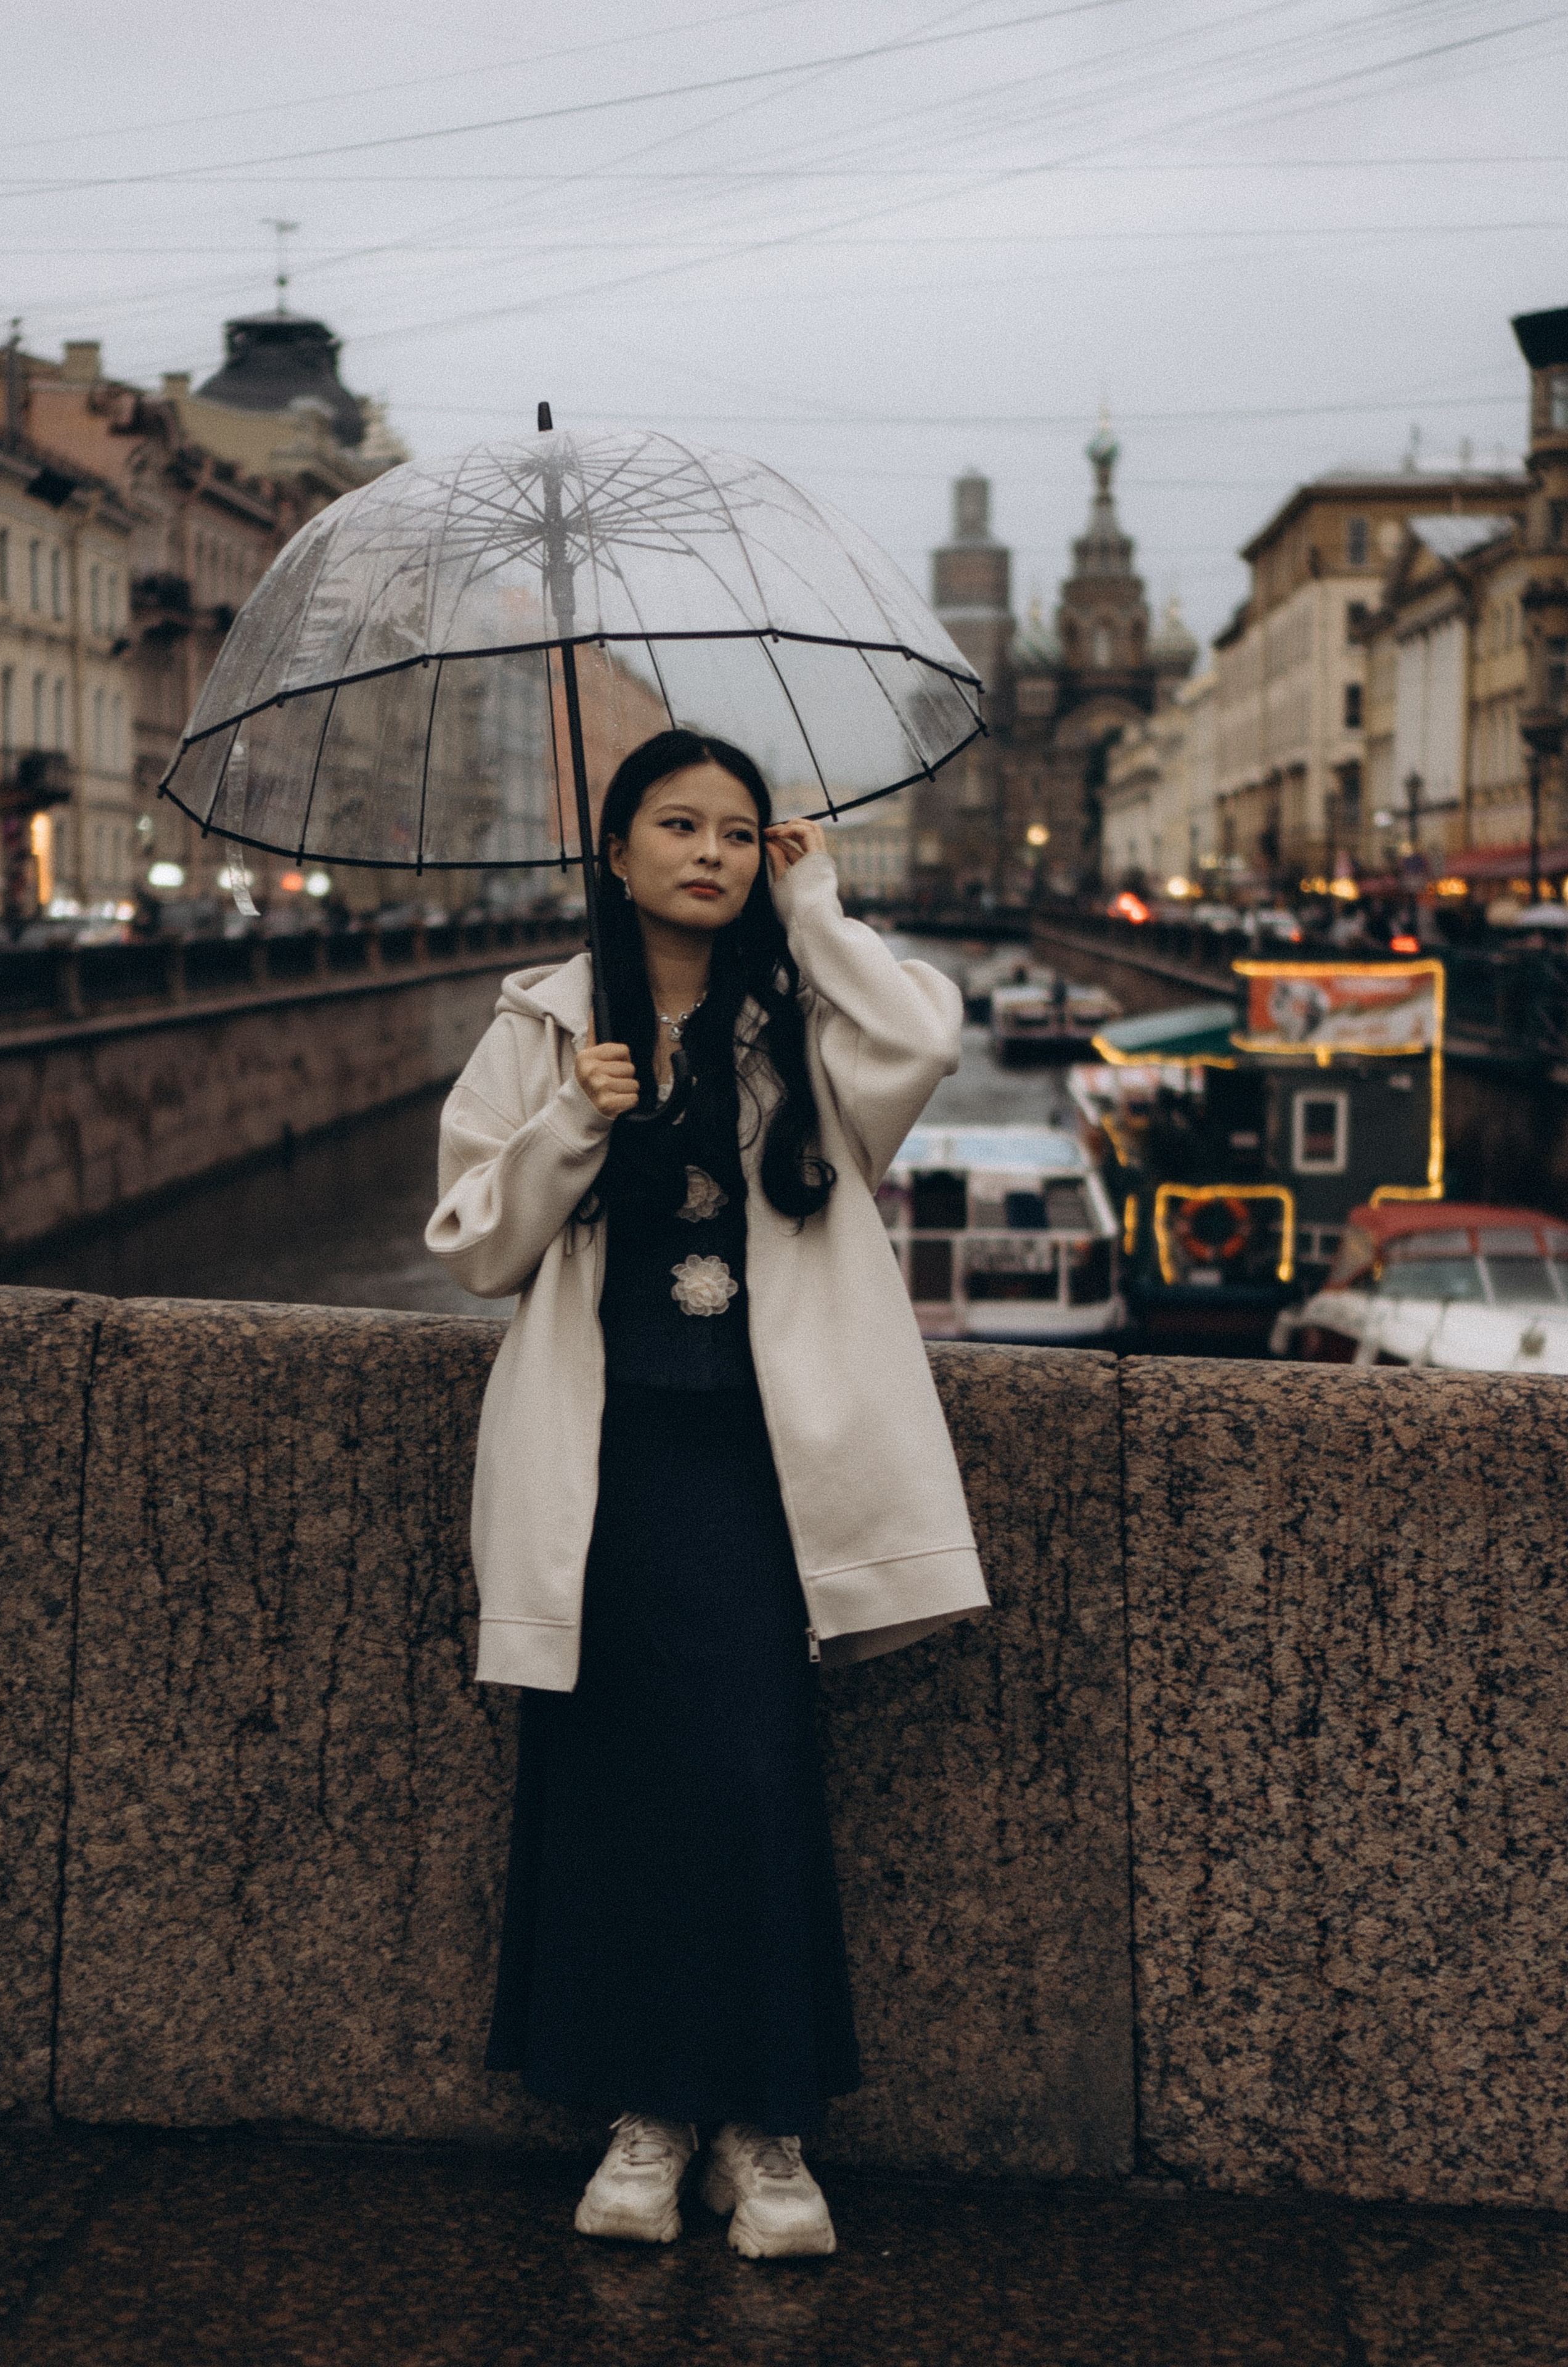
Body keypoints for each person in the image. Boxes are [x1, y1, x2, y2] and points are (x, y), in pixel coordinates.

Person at [425, 729, 988, 2260]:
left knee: (751, 1775)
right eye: (676, 826)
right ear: (615, 854)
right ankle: (647, 2121)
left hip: (763, 1461)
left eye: (738, 832)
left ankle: (764, 2123)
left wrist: (820, 913)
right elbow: (472, 1245)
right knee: (610, 1781)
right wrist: (571, 1120)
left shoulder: (801, 1018)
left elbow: (925, 1041)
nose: (710, 854)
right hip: (602, 1455)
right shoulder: (544, 1023)